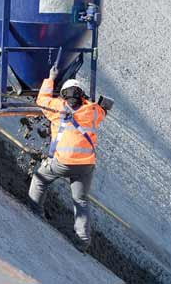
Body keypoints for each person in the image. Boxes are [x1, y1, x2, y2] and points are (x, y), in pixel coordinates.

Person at [27, 65, 108, 252]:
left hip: (61, 163)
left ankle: (34, 211)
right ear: (82, 96)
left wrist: (51, 77)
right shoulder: (93, 111)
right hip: (86, 165)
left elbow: (42, 99)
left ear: (63, 96)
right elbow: (102, 109)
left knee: (40, 179)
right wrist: (89, 101)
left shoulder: (57, 108)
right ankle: (83, 242)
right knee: (80, 201)